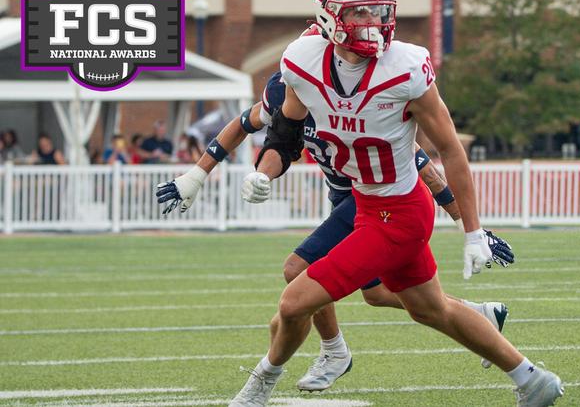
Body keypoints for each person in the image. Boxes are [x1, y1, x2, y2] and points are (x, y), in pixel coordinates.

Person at [226, 0, 562, 406]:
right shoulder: (302, 60)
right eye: (359, 12)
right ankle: (533, 379)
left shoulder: (404, 68)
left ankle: (259, 388)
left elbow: (450, 149)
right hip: (368, 205)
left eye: (378, 12)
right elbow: (285, 132)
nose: (372, 23)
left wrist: (473, 230)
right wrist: (263, 173)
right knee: (431, 309)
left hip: (399, 213)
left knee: (293, 301)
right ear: (329, 17)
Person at [157, 67, 516, 391]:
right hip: (347, 202)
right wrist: (197, 174)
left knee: (296, 269)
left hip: (377, 200)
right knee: (377, 295)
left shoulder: (358, 100)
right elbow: (245, 124)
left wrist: (466, 225)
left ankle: (334, 352)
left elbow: (427, 171)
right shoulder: (287, 91)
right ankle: (478, 314)